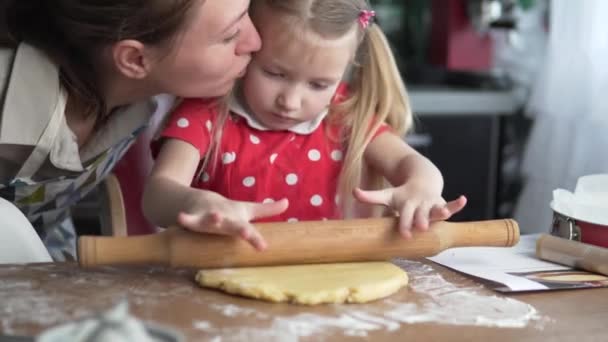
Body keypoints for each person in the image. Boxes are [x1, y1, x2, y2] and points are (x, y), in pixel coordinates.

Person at [143, 0, 467, 251]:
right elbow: (157, 195)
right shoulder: (206, 111)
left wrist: (422, 188)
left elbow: (409, 163)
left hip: (332, 284)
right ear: (248, 44)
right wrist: (196, 203)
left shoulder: (345, 113)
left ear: (345, 71)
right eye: (274, 73)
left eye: (319, 85)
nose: (291, 101)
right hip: (221, 277)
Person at [0, 0, 261, 261]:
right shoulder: (9, 109)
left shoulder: (134, 100)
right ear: (135, 60)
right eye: (230, 35)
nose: (255, 42)